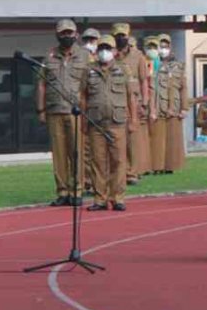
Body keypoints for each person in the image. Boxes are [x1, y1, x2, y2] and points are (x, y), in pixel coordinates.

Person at [81, 35, 137, 212]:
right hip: (95, 122)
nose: (104, 52)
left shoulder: (123, 69)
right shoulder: (89, 70)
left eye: (108, 48)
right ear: (97, 51)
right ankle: (100, 198)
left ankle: (117, 197)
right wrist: (83, 120)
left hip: (117, 122)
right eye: (101, 48)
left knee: (118, 161)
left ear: (114, 51)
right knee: (97, 161)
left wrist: (133, 119)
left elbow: (131, 97)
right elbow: (83, 96)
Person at [37, 19, 89, 207]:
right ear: (57, 35)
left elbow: (87, 88)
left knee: (76, 152)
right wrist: (41, 110)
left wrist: (86, 113)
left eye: (70, 32)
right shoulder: (49, 56)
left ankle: (77, 191)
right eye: (63, 33)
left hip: (75, 111)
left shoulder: (85, 56)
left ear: (76, 34)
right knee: (58, 154)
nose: (67, 36)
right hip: (54, 111)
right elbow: (41, 84)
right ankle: (62, 191)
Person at [112, 23, 152, 184]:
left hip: (133, 102)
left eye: (123, 35)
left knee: (132, 140)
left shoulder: (138, 56)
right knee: (115, 139)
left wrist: (145, 102)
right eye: (118, 35)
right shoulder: (109, 54)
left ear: (128, 36)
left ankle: (131, 173)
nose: (121, 38)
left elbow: (144, 81)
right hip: (114, 101)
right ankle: (117, 172)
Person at [158, 33, 189, 173]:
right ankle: (156, 166)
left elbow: (184, 88)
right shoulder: (151, 63)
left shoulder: (178, 66)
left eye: (166, 46)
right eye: (160, 46)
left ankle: (171, 166)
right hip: (158, 106)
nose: (163, 49)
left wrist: (184, 108)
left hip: (174, 106)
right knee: (157, 139)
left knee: (172, 139)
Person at [80, 27, 100, 194]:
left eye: (93, 40)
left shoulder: (104, 59)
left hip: (100, 108)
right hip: (85, 106)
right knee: (85, 148)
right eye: (87, 40)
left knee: (99, 150)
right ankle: (87, 181)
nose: (90, 43)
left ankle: (99, 183)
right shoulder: (79, 58)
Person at [145, 35, 167, 174]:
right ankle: (146, 166)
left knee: (159, 140)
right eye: (149, 47)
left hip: (161, 105)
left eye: (155, 47)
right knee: (146, 139)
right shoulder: (144, 63)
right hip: (146, 105)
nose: (152, 50)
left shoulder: (162, 65)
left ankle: (157, 166)